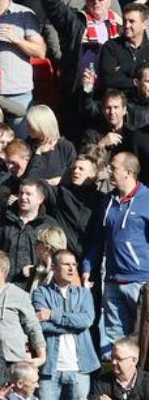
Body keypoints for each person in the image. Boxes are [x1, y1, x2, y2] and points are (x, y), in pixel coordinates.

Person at [83, 152, 149, 358]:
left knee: (144, 341)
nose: (109, 171)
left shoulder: (146, 199)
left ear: (129, 172)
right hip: (112, 282)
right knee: (115, 343)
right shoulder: (108, 201)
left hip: (141, 282)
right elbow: (98, 239)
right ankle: (114, 387)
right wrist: (87, 266)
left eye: (114, 167)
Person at [33, 250, 99, 400]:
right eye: (66, 264)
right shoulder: (40, 293)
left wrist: (53, 314)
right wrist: (74, 325)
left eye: (74, 265)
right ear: (54, 267)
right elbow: (39, 325)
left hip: (80, 369)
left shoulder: (84, 294)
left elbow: (87, 320)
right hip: (50, 369)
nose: (71, 269)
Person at [0, 249, 46, 367]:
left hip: (12, 361)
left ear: (1, 271)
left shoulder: (19, 295)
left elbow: (33, 327)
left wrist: (41, 357)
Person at [0, 177, 58, 287]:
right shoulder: (2, 220)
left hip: (36, 286)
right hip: (5, 284)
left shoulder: (49, 225)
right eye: (21, 193)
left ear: (40, 199)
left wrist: (36, 269)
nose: (23, 197)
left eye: (28, 194)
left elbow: (57, 259)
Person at [99, 3, 149, 92]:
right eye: (124, 21)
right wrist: (135, 82)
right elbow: (108, 79)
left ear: (144, 24)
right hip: (119, 102)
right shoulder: (111, 47)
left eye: (131, 21)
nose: (126, 25)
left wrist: (122, 73)